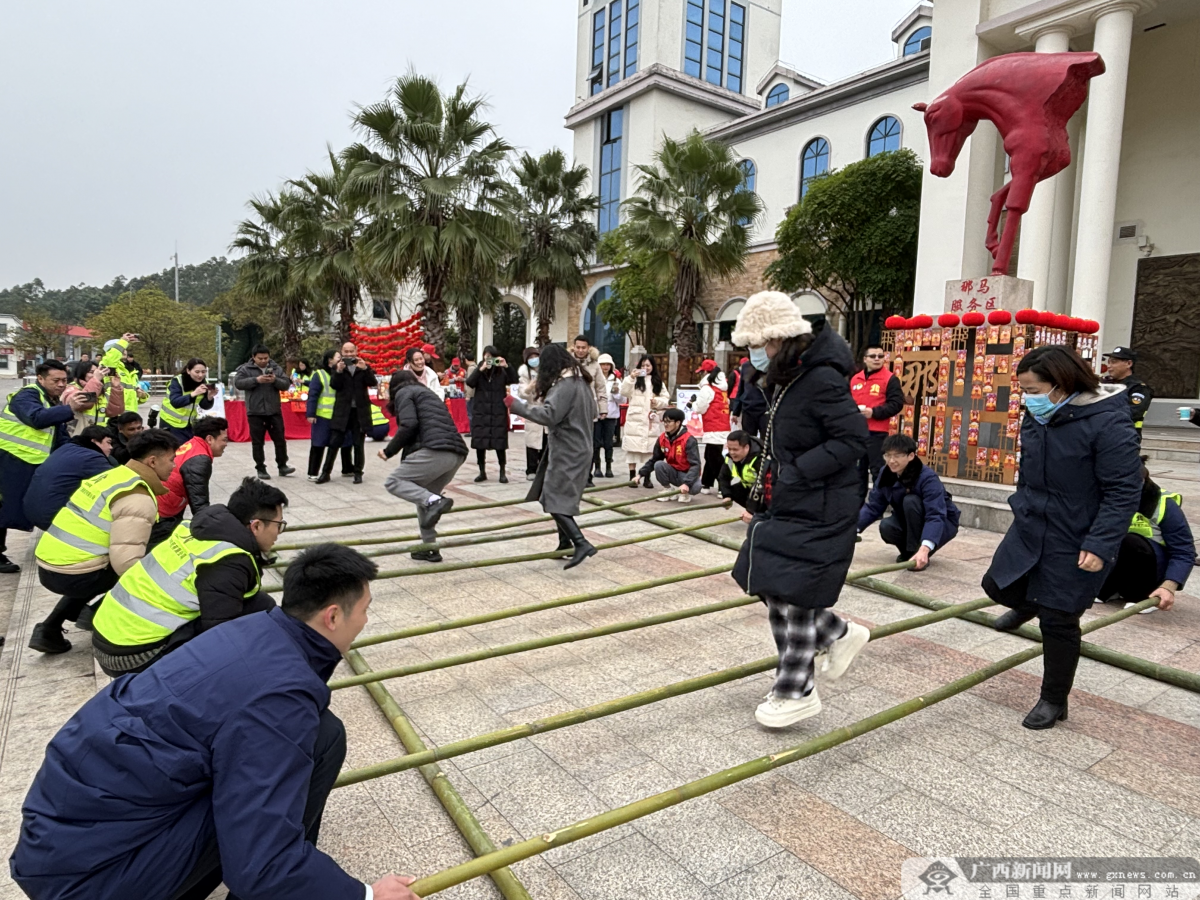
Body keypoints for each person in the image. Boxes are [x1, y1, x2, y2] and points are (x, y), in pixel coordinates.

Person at [12, 542, 423, 900]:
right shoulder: (279, 694)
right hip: (89, 880)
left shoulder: (253, 630)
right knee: (285, 802)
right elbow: (259, 862)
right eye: (365, 610)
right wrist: (363, 895)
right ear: (332, 617)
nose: (366, 620)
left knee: (323, 733)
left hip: (59, 839)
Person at [729, 291, 870, 729]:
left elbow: (852, 440)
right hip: (792, 495)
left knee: (798, 595)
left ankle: (796, 690)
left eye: (758, 345)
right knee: (772, 583)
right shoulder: (785, 378)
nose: (754, 354)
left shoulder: (821, 379)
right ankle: (838, 634)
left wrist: (797, 471)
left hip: (825, 500)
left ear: (779, 340)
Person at [982, 345, 1142, 730]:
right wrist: (1022, 505)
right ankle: (1027, 604)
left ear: (1062, 383)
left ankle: (1054, 699)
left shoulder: (1107, 422)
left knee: (1058, 619)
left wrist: (1100, 543)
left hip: (1078, 533)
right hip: (1033, 522)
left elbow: (1123, 489)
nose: (1028, 398)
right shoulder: (1039, 417)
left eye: (1034, 390)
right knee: (997, 584)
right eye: (1024, 390)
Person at [91, 476, 288, 676]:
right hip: (130, 656)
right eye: (278, 525)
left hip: (108, 635)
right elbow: (220, 634)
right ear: (256, 526)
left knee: (254, 604)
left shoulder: (199, 529)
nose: (278, 533)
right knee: (250, 620)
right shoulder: (227, 561)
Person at [28, 429, 178, 654]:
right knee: (159, 554)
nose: (174, 466)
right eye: (171, 460)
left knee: (108, 555)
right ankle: (97, 612)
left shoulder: (112, 476)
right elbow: (127, 565)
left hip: (51, 562)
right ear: (153, 461)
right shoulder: (136, 496)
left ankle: (49, 629)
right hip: (73, 575)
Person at [510, 343, 598, 569]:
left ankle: (580, 543)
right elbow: (595, 412)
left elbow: (550, 414)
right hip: (577, 446)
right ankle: (564, 543)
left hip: (569, 449)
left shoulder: (566, 385)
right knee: (552, 494)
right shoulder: (582, 382)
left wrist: (518, 407)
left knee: (553, 499)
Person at [0, 360, 91, 573]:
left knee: (36, 502)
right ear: (40, 378)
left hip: (30, 462)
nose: (61, 385)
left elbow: (59, 436)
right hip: (9, 460)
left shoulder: (51, 400)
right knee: (4, 507)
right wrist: (70, 408)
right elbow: (37, 419)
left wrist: (82, 455)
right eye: (56, 380)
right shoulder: (27, 395)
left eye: (64, 380)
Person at [379, 370, 469, 563]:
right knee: (424, 498)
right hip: (456, 453)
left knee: (394, 481)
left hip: (435, 449)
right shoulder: (427, 394)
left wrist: (389, 451)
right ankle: (430, 547)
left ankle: (436, 502)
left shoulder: (404, 392)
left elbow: (409, 425)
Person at [1095, 458, 1194, 614]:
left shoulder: (1163, 505)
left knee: (1129, 541)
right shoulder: (1105, 498)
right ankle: (1108, 589)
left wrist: (1169, 586)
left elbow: (1184, 552)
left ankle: (1141, 596)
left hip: (1150, 568)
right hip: (1116, 562)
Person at [856, 433, 960, 570]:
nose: (891, 460)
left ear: (911, 456)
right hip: (907, 519)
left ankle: (919, 552)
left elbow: (935, 515)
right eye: (888, 455)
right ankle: (909, 552)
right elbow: (874, 507)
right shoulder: (886, 473)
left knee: (911, 501)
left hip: (942, 521)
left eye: (897, 456)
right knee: (887, 526)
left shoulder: (927, 478)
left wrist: (924, 549)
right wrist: (852, 530)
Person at [152, 416, 230, 545]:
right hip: (163, 514)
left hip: (165, 505)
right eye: (224, 440)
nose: (226, 444)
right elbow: (199, 502)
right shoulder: (200, 459)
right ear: (209, 439)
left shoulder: (193, 445)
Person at [24, 425, 114, 532]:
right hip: (54, 517)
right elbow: (115, 482)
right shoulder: (92, 458)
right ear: (94, 442)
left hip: (32, 511)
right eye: (108, 442)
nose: (111, 447)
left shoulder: (66, 448)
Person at [317, 341, 377, 484]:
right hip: (342, 411)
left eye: (351, 351)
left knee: (358, 444)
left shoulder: (362, 365)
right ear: (342, 352)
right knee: (334, 443)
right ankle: (326, 473)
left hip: (360, 412)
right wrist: (338, 371)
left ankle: (358, 473)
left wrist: (365, 369)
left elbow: (372, 382)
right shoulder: (337, 367)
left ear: (356, 351)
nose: (349, 354)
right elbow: (334, 385)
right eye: (346, 352)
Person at [850, 344, 905, 501]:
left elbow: (896, 404)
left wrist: (874, 412)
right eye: (873, 356)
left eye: (880, 356)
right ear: (865, 359)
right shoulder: (855, 379)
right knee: (856, 471)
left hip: (877, 433)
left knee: (878, 470)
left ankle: (878, 505)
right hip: (856, 433)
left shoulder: (889, 378)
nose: (877, 359)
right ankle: (856, 507)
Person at [233, 343, 294, 480]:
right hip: (255, 412)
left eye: (266, 358)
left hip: (274, 410)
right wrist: (256, 380)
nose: (263, 361)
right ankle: (260, 467)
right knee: (258, 442)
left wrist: (274, 380)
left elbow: (285, 384)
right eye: (260, 358)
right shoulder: (245, 369)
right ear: (253, 357)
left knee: (279, 440)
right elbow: (239, 383)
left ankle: (282, 465)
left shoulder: (275, 368)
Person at [466, 345, 517, 483]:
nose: (489, 360)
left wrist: (507, 366)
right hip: (481, 412)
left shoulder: (501, 372)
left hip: (497, 412)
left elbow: (514, 380)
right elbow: (469, 383)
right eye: (487, 357)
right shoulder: (479, 371)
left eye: (492, 357)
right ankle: (481, 471)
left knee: (500, 443)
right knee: (480, 443)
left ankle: (502, 472)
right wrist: (480, 369)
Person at [620, 355, 671, 487]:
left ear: (653, 366)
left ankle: (646, 477)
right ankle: (632, 477)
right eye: (643, 366)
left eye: (648, 365)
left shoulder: (658, 381)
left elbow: (665, 399)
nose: (645, 368)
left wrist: (657, 402)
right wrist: (631, 377)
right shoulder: (634, 380)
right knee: (632, 449)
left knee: (650, 450)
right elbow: (624, 392)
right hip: (635, 420)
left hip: (651, 419)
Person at [306, 348, 354, 481]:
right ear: (330, 361)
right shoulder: (319, 375)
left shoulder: (342, 373)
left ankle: (347, 468)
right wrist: (311, 413)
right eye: (338, 358)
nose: (341, 360)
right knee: (318, 444)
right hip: (323, 416)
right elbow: (313, 395)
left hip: (340, 415)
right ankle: (313, 472)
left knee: (346, 442)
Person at [640, 407, 702, 503]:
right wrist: (640, 474)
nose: (666, 424)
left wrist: (686, 483)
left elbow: (695, 465)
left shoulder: (689, 439)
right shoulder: (662, 439)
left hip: (685, 474)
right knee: (659, 464)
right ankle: (668, 489)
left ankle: (685, 493)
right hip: (672, 471)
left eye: (669, 422)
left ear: (678, 423)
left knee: (696, 487)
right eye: (664, 422)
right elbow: (654, 459)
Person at [689, 359, 730, 493]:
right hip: (723, 424)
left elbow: (701, 407)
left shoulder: (707, 388)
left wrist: (693, 405)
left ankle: (723, 487)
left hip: (713, 426)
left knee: (714, 458)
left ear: (706, 372)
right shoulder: (722, 387)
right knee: (710, 455)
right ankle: (706, 483)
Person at [159, 357, 217, 443]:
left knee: (189, 451)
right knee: (175, 452)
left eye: (203, 372)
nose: (200, 375)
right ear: (188, 371)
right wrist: (193, 394)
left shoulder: (204, 382)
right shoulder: (177, 381)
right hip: (171, 422)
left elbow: (204, 406)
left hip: (189, 424)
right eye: (197, 372)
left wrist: (209, 397)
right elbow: (175, 402)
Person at [1101, 346, 1153, 442]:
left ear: (1129, 364)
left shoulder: (1138, 388)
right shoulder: (1103, 384)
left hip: (1125, 438)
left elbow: (1132, 412)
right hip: (1100, 436)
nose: (1109, 366)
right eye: (1108, 362)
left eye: (1114, 362)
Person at [62, 360, 124, 436]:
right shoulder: (71, 389)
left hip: (98, 436)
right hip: (78, 436)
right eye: (91, 372)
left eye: (97, 372)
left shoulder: (99, 390)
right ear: (82, 373)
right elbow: (85, 404)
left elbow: (115, 411)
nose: (96, 374)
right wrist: (96, 380)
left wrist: (116, 388)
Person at [98, 333, 146, 414]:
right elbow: (111, 359)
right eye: (120, 348)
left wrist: (143, 396)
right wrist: (123, 341)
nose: (124, 350)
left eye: (125, 348)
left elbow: (132, 394)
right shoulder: (109, 367)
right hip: (114, 414)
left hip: (130, 415)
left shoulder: (130, 370)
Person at [717, 429, 762, 512]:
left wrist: (751, 511)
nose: (731, 453)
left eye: (735, 449)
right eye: (729, 449)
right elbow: (723, 477)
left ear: (746, 447)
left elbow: (768, 487)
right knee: (734, 489)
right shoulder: (730, 458)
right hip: (749, 488)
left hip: (763, 492)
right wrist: (727, 496)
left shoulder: (760, 459)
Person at [592, 353, 621, 479]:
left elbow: (622, 399)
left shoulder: (616, 380)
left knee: (609, 442)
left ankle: (609, 466)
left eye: (607, 364)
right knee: (596, 442)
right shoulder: (594, 379)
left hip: (611, 415)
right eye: (602, 364)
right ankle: (597, 467)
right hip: (597, 414)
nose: (605, 367)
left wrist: (616, 393)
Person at [517, 347, 544, 481]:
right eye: (530, 357)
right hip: (533, 409)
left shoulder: (546, 370)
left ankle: (543, 468)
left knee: (545, 440)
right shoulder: (524, 374)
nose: (534, 360)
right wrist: (530, 387)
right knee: (532, 442)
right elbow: (522, 393)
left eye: (536, 356)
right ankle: (531, 469)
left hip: (546, 408)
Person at [730, 354, 768, 439]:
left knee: (766, 440)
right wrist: (736, 411)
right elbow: (741, 389)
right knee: (748, 439)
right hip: (748, 408)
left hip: (765, 409)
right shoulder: (746, 366)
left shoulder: (770, 364)